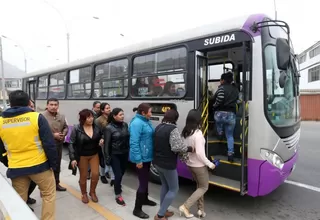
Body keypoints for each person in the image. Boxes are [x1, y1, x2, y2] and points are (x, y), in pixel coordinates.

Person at [0, 90, 57, 220]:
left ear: (10, 103)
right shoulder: (36, 117)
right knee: (48, 195)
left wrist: (8, 162)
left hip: (16, 168)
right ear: (28, 102)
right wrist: (53, 165)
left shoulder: (1, 122)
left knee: (19, 202)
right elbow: (49, 144)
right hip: (40, 166)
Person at [153, 110, 194, 220]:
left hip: (157, 162)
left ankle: (164, 210)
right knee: (174, 189)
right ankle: (160, 215)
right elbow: (176, 147)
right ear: (175, 118)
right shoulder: (173, 129)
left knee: (165, 186)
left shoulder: (159, 127)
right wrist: (189, 148)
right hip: (168, 164)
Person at [179, 109, 218, 218]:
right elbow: (200, 153)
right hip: (199, 166)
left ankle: (201, 210)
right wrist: (210, 164)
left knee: (199, 186)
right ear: (198, 120)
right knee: (204, 187)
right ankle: (185, 206)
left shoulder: (185, 132)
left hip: (190, 164)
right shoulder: (198, 134)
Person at [68, 109, 103, 204]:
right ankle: (84, 193)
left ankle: (92, 192)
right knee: (83, 176)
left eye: (92, 117)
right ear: (83, 119)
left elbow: (101, 135)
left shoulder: (96, 127)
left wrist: (101, 139)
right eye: (88, 117)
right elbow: (71, 143)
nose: (91, 119)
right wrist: (73, 158)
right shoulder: (77, 128)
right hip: (82, 155)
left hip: (94, 154)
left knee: (95, 174)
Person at [129, 103, 156, 219]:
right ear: (143, 113)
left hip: (147, 156)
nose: (151, 113)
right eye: (150, 111)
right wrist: (138, 160)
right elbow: (134, 143)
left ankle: (145, 199)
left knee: (145, 179)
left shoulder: (145, 121)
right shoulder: (137, 123)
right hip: (141, 158)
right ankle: (137, 209)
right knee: (143, 182)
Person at [104, 108, 129, 206]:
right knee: (118, 174)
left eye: (123, 114)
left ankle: (117, 184)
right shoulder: (109, 128)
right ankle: (118, 195)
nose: (122, 116)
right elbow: (106, 145)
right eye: (120, 115)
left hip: (124, 153)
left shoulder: (125, 125)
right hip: (115, 154)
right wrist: (107, 157)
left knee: (122, 172)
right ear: (114, 116)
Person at [42, 98, 68, 191]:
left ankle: (56, 183)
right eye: (51, 104)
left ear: (58, 106)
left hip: (58, 145)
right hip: (46, 146)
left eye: (55, 105)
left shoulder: (61, 116)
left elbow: (65, 127)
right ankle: (45, 187)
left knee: (57, 165)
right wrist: (53, 135)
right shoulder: (41, 116)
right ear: (47, 105)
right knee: (46, 167)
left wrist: (63, 134)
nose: (53, 107)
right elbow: (39, 132)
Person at [213, 71, 239, 162]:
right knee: (230, 135)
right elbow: (238, 101)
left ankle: (220, 134)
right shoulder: (235, 89)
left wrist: (215, 105)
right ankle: (230, 154)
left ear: (223, 80)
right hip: (231, 114)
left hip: (220, 113)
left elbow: (219, 99)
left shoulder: (221, 88)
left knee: (218, 124)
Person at [95, 102, 114, 185]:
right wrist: (101, 139)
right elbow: (97, 132)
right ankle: (102, 175)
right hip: (102, 143)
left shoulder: (112, 117)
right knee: (102, 159)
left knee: (112, 159)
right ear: (102, 110)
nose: (109, 109)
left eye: (109, 107)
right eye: (107, 108)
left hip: (112, 142)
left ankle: (113, 177)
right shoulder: (98, 120)